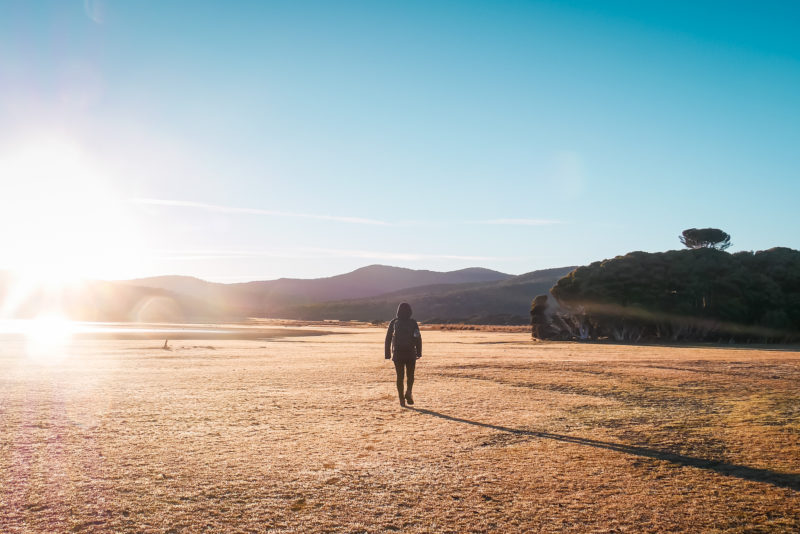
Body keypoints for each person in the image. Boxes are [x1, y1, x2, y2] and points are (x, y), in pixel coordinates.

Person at [385, 302, 422, 407]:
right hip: (410, 353)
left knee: (399, 377)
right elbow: (418, 337)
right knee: (410, 375)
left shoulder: (394, 322)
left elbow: (388, 338)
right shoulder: (413, 322)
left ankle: (401, 399)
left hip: (398, 353)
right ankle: (409, 392)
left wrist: (387, 354)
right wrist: (419, 352)